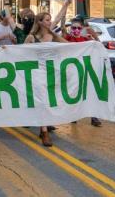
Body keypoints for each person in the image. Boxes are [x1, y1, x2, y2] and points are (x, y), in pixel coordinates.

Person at [25, 11, 68, 147]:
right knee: (42, 101)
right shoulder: (31, 37)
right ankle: (44, 132)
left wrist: (66, 5)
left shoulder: (53, 36)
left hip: (52, 73)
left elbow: (70, 46)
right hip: (37, 74)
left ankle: (42, 126)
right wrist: (6, 50)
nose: (50, 22)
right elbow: (20, 54)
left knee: (49, 101)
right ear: (40, 22)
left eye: (50, 20)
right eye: (47, 20)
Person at [63, 17, 102, 127]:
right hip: (73, 72)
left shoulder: (86, 39)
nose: (76, 30)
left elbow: (99, 47)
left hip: (86, 70)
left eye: (78, 28)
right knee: (75, 93)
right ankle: (74, 116)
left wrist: (94, 36)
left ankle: (94, 117)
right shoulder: (68, 38)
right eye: (73, 27)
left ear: (82, 28)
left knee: (89, 93)